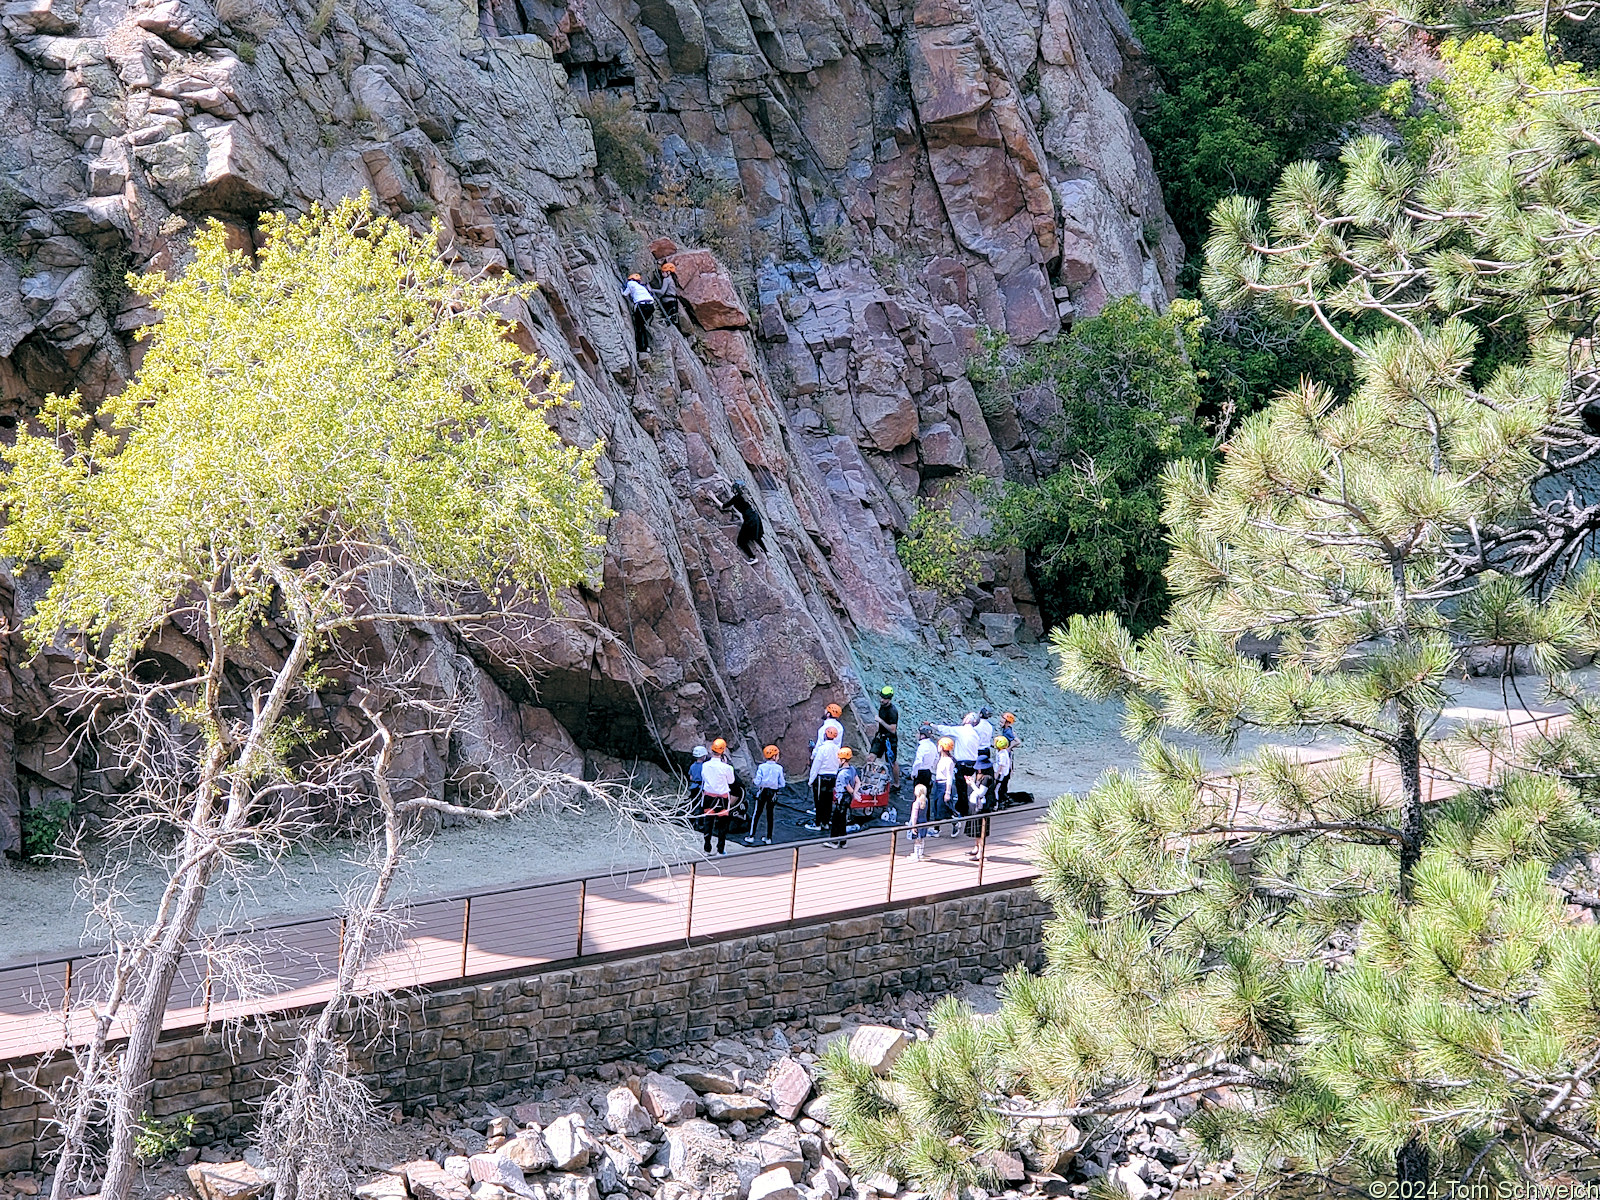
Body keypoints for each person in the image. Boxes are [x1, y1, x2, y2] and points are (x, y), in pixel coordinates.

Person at [932, 713, 982, 821]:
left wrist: (932, 725)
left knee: (961, 788)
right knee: (968, 786)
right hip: (973, 763)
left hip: (962, 763)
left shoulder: (962, 730)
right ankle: (968, 807)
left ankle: (962, 811)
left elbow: (946, 730)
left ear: (969, 719)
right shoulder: (975, 734)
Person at [700, 738, 736, 855]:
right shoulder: (727, 768)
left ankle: (707, 848)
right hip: (723, 798)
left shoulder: (705, 765)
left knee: (708, 822)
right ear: (723, 751)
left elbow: (704, 778)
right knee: (722, 824)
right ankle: (720, 849)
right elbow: (731, 781)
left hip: (709, 797)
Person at [720, 481, 767, 561]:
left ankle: (752, 557)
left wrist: (712, 496)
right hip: (755, 517)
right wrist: (722, 479)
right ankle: (767, 552)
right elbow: (734, 486)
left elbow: (723, 506)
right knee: (756, 536)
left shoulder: (736, 499)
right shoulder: (744, 495)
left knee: (741, 541)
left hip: (749, 520)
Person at [808, 722, 842, 833]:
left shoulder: (822, 749)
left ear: (825, 735)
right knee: (828, 801)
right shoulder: (837, 749)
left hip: (821, 778)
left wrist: (811, 779)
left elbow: (816, 765)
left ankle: (818, 823)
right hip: (833, 777)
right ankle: (826, 822)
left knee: (819, 801)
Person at [747, 744, 784, 844]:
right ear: (774, 756)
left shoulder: (762, 767)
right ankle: (769, 837)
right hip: (773, 793)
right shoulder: (779, 768)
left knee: (757, 813)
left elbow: (758, 781)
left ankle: (751, 836)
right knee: (770, 814)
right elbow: (782, 783)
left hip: (762, 791)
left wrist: (754, 781)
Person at [872, 686, 900, 788]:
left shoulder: (892, 711)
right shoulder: (882, 706)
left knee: (892, 762)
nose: (882, 700)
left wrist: (880, 721)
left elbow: (893, 729)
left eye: (884, 698)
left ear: (889, 699)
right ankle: (870, 779)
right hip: (880, 736)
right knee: (871, 757)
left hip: (889, 739)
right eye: (881, 698)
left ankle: (897, 783)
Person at [623, 273, 657, 353]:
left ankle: (642, 347)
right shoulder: (642, 287)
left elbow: (625, 294)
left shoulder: (630, 283)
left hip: (641, 306)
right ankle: (646, 346)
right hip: (650, 306)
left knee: (639, 326)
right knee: (642, 325)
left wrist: (622, 291)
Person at [832, 747, 858, 846]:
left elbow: (848, 787)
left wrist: (854, 793)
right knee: (842, 820)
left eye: (839, 759)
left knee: (837, 820)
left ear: (843, 760)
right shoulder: (852, 769)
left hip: (842, 797)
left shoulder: (842, 774)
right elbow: (857, 781)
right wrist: (855, 792)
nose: (838, 760)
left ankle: (834, 842)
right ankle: (843, 842)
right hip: (847, 799)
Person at [933, 737, 958, 837]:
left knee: (943, 806)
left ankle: (955, 822)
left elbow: (949, 777)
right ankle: (936, 829)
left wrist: (947, 792)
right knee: (936, 806)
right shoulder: (941, 759)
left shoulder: (948, 761)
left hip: (944, 785)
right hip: (938, 784)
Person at [910, 724, 938, 799]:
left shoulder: (922, 747)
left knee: (918, 794)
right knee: (926, 794)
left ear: (923, 735)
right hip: (928, 772)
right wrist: (932, 767)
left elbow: (918, 762)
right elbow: (936, 758)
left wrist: (914, 773)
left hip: (920, 772)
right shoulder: (933, 745)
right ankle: (926, 810)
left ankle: (917, 809)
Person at [908, 783, 931, 860]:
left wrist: (913, 826)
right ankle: (921, 853)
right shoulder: (926, 801)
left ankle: (916, 854)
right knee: (922, 838)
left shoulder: (916, 803)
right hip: (923, 822)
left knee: (917, 840)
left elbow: (914, 816)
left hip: (917, 823)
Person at [992, 734, 1013, 811]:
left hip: (1001, 774)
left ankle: (996, 805)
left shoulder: (1002, 754)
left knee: (996, 789)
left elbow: (1001, 765)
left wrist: (996, 775)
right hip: (1001, 773)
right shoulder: (1002, 751)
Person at [658, 261, 681, 327]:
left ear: (668, 272)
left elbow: (662, 291)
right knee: (674, 321)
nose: (662, 274)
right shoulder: (673, 279)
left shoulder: (666, 279)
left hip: (668, 302)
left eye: (663, 272)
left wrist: (651, 289)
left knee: (668, 321)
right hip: (673, 302)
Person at [689, 745, 708, 817]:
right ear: (703, 756)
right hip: (702, 787)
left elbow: (691, 777)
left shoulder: (692, 766)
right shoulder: (705, 766)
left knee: (693, 802)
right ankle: (699, 818)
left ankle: (692, 815)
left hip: (694, 787)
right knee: (702, 804)